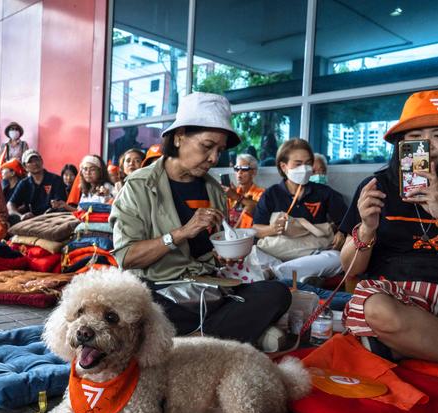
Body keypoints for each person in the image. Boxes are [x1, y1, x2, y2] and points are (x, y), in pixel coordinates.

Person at [110, 92, 291, 343]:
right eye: (207, 146)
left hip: (205, 287)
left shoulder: (214, 190)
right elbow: (127, 257)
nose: (214, 158)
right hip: (159, 289)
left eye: (219, 150)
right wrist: (180, 233)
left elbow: (214, 256)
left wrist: (229, 253)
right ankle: (224, 334)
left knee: (277, 293)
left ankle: (195, 338)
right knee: (141, 307)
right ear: (180, 136)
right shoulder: (139, 186)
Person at [338, 90, 438, 361]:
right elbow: (349, 270)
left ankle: (396, 346)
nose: (428, 146)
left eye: (437, 135)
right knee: (376, 309)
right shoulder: (378, 187)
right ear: (401, 145)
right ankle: (408, 343)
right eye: (416, 138)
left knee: (380, 329)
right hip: (396, 296)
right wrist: (368, 228)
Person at [252, 138, 348, 281]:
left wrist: (342, 232)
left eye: (308, 163)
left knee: (338, 258)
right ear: (284, 167)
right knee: (251, 252)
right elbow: (255, 229)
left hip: (312, 254)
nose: (304, 168)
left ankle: (275, 272)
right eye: (298, 164)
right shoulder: (271, 194)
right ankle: (296, 273)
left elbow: (347, 220)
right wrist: (272, 229)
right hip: (276, 253)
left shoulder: (324, 193)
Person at [7, 149, 66, 220]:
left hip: (51, 219)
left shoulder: (56, 179)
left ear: (41, 161)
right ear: (25, 167)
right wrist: (20, 216)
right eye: (30, 162)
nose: (34, 163)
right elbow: (10, 204)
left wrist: (56, 204)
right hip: (30, 220)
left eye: (36, 160)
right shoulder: (24, 183)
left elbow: (60, 204)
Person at [222, 153, 264, 229]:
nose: (239, 172)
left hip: (248, 233)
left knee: (250, 207)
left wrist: (236, 196)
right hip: (228, 229)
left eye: (244, 169)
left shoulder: (261, 192)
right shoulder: (233, 191)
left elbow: (257, 206)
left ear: (253, 172)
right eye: (237, 169)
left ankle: (234, 235)